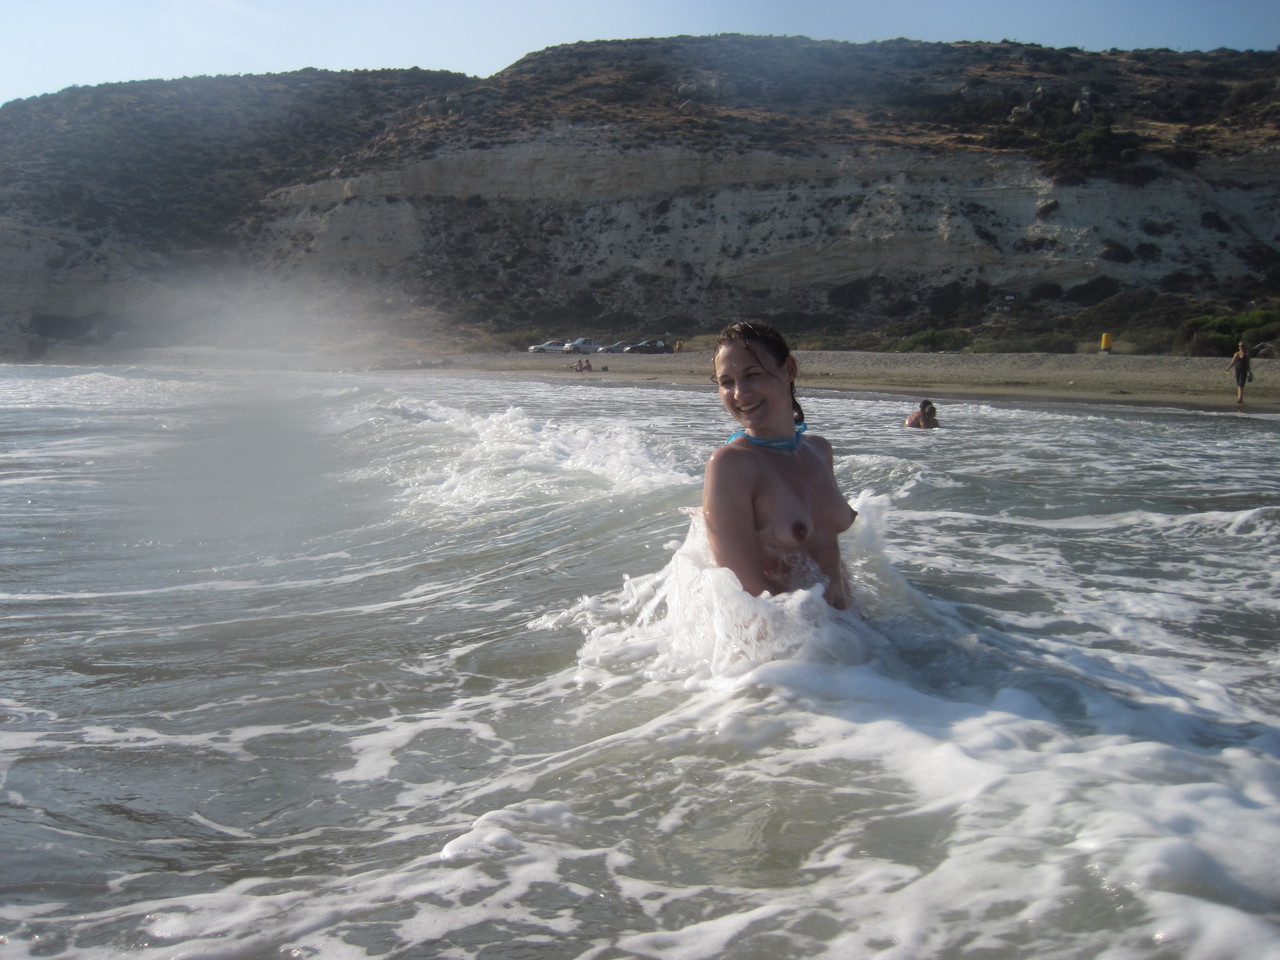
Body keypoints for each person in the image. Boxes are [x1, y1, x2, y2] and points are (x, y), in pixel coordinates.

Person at [702, 321, 857, 609]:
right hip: (792, 635)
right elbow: (746, 587)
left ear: (789, 370)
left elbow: (831, 561)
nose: (739, 393)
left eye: (752, 375)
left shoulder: (819, 450)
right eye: (727, 382)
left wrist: (861, 623)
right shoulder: (732, 465)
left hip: (846, 628)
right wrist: (825, 632)